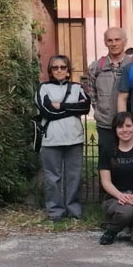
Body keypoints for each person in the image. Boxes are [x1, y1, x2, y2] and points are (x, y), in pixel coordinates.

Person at [36, 55, 91, 221]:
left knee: (74, 176)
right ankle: (55, 211)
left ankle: (74, 210)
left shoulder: (77, 88)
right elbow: (47, 111)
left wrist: (61, 106)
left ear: (68, 71)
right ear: (50, 71)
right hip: (51, 139)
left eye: (63, 67)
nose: (59, 70)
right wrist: (72, 109)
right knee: (52, 177)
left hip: (74, 139)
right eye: (55, 67)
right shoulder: (43, 88)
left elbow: (86, 107)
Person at [97, 111, 133, 245]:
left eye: (128, 126)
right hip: (115, 199)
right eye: (120, 127)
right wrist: (120, 196)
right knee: (127, 212)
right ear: (115, 130)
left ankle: (131, 223)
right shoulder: (108, 150)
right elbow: (105, 181)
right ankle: (111, 230)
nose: (125, 130)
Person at [83, 27, 131, 157]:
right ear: (105, 42)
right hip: (106, 125)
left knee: (129, 161)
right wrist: (100, 111)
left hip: (130, 125)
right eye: (110, 40)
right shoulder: (96, 66)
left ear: (125, 41)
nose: (114, 44)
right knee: (107, 161)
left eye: (117, 40)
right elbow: (91, 92)